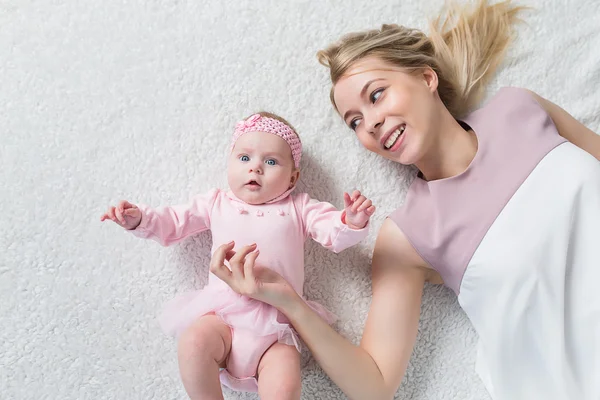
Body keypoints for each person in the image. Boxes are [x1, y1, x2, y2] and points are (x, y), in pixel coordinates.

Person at [208, 1, 600, 399]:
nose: (371, 123)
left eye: (376, 95)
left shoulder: (520, 108)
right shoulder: (408, 235)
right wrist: (286, 300)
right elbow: (374, 385)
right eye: (355, 122)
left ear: (426, 78)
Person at [99, 111, 375, 399]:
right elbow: (173, 223)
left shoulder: (300, 208)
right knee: (193, 343)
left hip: (277, 329)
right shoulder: (217, 202)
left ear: (293, 177)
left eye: (271, 162)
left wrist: (351, 221)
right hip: (222, 319)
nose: (255, 168)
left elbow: (333, 232)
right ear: (229, 162)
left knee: (284, 386)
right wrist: (139, 219)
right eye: (244, 158)